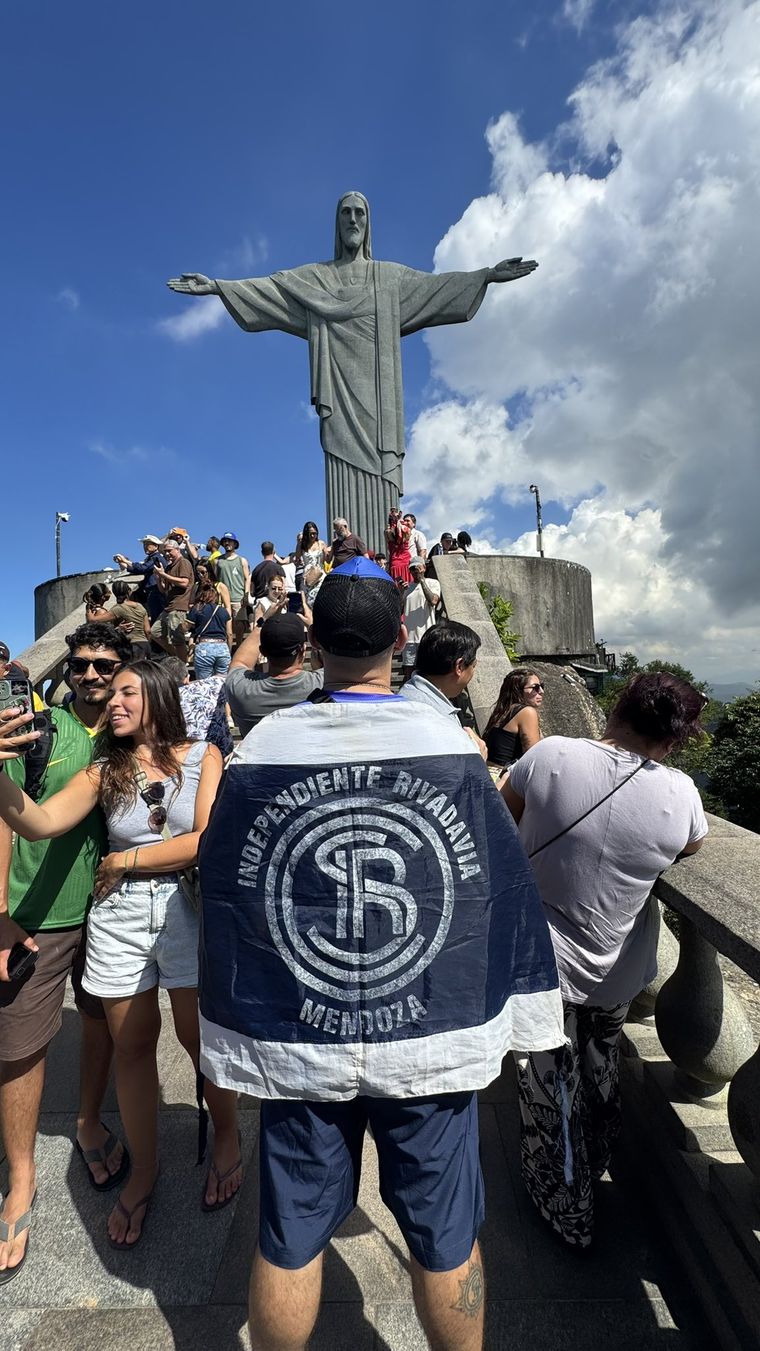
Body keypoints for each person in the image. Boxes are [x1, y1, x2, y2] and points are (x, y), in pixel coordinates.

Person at [197, 556, 564, 1351]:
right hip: (430, 1031)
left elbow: (232, 892)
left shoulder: (264, 748)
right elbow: (493, 893)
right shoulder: (453, 747)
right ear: (403, 635)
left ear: (315, 639)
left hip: (302, 1030)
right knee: (444, 1232)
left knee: (289, 1231)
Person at [0, 661, 243, 1249]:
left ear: (159, 696)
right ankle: (146, 1167)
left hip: (185, 909)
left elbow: (204, 840)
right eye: (112, 695)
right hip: (119, 919)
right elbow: (39, 823)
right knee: (132, 1048)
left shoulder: (203, 755)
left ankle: (229, 1133)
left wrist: (125, 860)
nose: (112, 701)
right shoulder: (104, 768)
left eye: (127, 691)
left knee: (197, 1037)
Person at [168, 192, 537, 552]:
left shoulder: (389, 278)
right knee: (340, 467)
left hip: (379, 400)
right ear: (336, 223)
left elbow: (436, 288)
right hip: (339, 393)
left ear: (369, 223)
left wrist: (485, 275)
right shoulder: (316, 280)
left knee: (380, 468)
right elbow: (270, 289)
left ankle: (384, 557)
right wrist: (219, 287)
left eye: (360, 214)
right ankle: (350, 559)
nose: (353, 221)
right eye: (346, 214)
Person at [502, 671, 709, 1249]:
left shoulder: (549, 758)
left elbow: (504, 816)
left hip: (542, 967)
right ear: (671, 740)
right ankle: (595, 1162)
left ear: (616, 709)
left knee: (549, 1084)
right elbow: (692, 845)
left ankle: (568, 1208)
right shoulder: (680, 795)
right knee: (600, 1066)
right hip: (618, 970)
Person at [0, 622, 133, 1283]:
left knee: (99, 1020)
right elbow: (7, 817)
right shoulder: (37, 725)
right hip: (35, 915)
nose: (89, 673)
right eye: (79, 663)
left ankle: (86, 1120)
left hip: (106, 908)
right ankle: (21, 1178)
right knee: (20, 1045)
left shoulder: (128, 736)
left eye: (104, 663)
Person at [225, 611, 322, 736]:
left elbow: (239, 662)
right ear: (303, 649)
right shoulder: (322, 685)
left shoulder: (241, 689)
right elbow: (337, 662)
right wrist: (314, 630)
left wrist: (262, 621)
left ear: (262, 651)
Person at [162, 657, 233, 759]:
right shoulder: (214, 684)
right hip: (219, 753)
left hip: (178, 757)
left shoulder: (159, 699)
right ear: (186, 678)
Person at [483, 668, 543, 770]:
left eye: (542, 686)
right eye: (535, 687)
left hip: (489, 774)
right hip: (505, 779)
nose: (541, 691)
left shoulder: (502, 712)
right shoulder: (527, 712)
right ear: (518, 690)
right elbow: (532, 757)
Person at [151, 539, 195, 662]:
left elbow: (184, 582)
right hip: (168, 606)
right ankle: (178, 658)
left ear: (177, 549)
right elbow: (164, 590)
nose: (167, 554)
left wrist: (164, 575)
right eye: (165, 551)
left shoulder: (184, 562)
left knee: (177, 639)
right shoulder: (170, 566)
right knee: (154, 632)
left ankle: (183, 664)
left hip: (179, 606)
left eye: (169, 551)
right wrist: (159, 577)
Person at [401, 558, 441, 683]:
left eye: (417, 568)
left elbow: (433, 600)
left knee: (428, 672)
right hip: (409, 639)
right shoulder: (408, 588)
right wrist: (400, 592)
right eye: (412, 569)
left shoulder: (433, 583)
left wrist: (422, 581)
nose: (414, 571)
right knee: (409, 673)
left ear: (424, 568)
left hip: (426, 637)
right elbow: (400, 610)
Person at [186, 576, 232, 679]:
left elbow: (185, 627)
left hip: (204, 647)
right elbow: (229, 633)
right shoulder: (223, 611)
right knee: (223, 684)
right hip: (222, 647)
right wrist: (228, 650)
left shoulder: (197, 609)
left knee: (204, 684)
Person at [113, 535, 166, 622]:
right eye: (144, 545)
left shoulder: (156, 558)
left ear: (156, 546)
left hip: (156, 590)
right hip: (153, 590)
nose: (145, 547)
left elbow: (142, 568)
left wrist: (126, 561)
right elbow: (140, 569)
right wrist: (126, 565)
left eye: (147, 545)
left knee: (157, 617)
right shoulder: (152, 558)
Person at [95, 580, 151, 659]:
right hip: (144, 644)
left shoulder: (118, 609)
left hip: (131, 646)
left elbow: (94, 620)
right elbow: (148, 631)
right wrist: (147, 644)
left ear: (114, 593)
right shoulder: (140, 606)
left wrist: (88, 610)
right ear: (129, 591)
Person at [215, 534, 251, 646]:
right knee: (224, 625)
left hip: (238, 597)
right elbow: (216, 579)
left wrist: (246, 595)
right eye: (225, 541)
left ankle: (239, 647)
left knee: (239, 624)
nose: (227, 543)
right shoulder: (217, 561)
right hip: (222, 598)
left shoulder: (242, 560)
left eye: (230, 541)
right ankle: (226, 648)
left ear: (235, 543)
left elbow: (247, 578)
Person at [294, 521, 328, 603]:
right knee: (308, 600)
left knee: (320, 599)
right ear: (306, 534)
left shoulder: (321, 543)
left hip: (320, 575)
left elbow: (327, 560)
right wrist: (299, 543)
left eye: (314, 533)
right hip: (307, 577)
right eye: (310, 534)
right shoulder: (303, 545)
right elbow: (297, 557)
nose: (313, 536)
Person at [385, 507, 412, 585]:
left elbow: (389, 544)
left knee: (398, 589)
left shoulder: (387, 532)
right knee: (408, 588)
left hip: (395, 562)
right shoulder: (406, 530)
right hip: (406, 562)